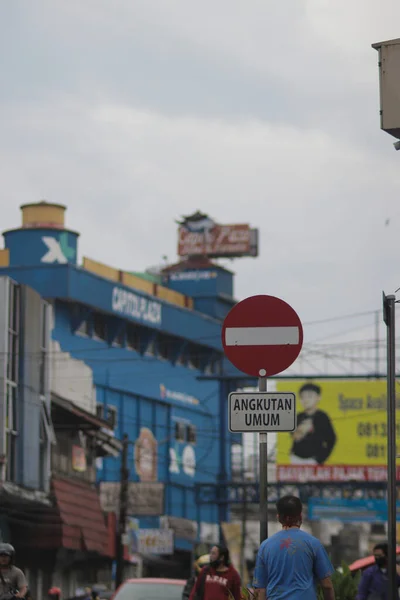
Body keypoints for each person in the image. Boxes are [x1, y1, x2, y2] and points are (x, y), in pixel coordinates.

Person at [253, 495, 335, 600]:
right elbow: (327, 586)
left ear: (278, 518)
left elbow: (260, 590)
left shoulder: (265, 547)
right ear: (300, 516)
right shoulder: (313, 544)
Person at [290, 383, 336, 465]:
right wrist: (302, 430)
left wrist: (321, 459)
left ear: (318, 398)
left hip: (313, 460)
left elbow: (331, 439)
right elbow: (294, 437)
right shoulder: (298, 417)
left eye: (310, 396)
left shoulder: (322, 417)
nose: (306, 400)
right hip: (296, 458)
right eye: (302, 397)